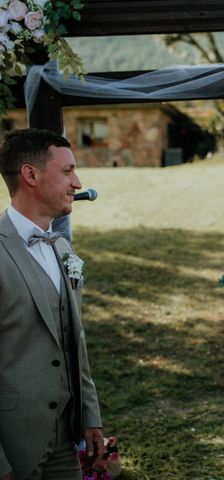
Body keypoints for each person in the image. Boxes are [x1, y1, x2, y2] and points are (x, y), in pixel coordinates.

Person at [0, 128, 104, 480]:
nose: (77, 182)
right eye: (67, 171)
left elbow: (75, 338)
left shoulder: (63, 247)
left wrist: (90, 416)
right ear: (30, 174)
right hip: (14, 445)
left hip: (66, 438)